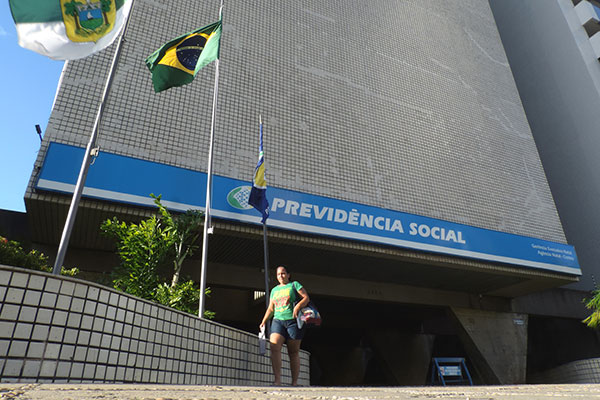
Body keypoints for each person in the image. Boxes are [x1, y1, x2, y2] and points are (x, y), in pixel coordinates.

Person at [259, 265, 310, 386]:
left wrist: (297, 306)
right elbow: (271, 308)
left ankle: (294, 382)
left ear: (288, 275)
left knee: (293, 352)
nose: (280, 276)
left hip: (293, 321)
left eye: (283, 273)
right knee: (274, 347)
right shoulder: (274, 290)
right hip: (278, 320)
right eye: (278, 274)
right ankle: (277, 380)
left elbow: (306, 298)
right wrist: (264, 321)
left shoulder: (294, 285)